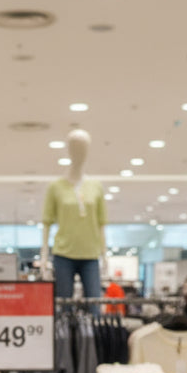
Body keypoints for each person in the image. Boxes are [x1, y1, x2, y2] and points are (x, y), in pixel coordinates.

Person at [40, 128, 107, 303]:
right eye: (76, 147)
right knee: (64, 306)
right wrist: (44, 258)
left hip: (91, 254)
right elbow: (46, 223)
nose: (80, 153)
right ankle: (64, 332)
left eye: (84, 147)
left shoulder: (96, 186)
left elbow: (101, 223)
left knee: (95, 305)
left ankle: (94, 332)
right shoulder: (55, 187)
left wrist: (105, 256)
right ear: (68, 150)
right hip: (64, 254)